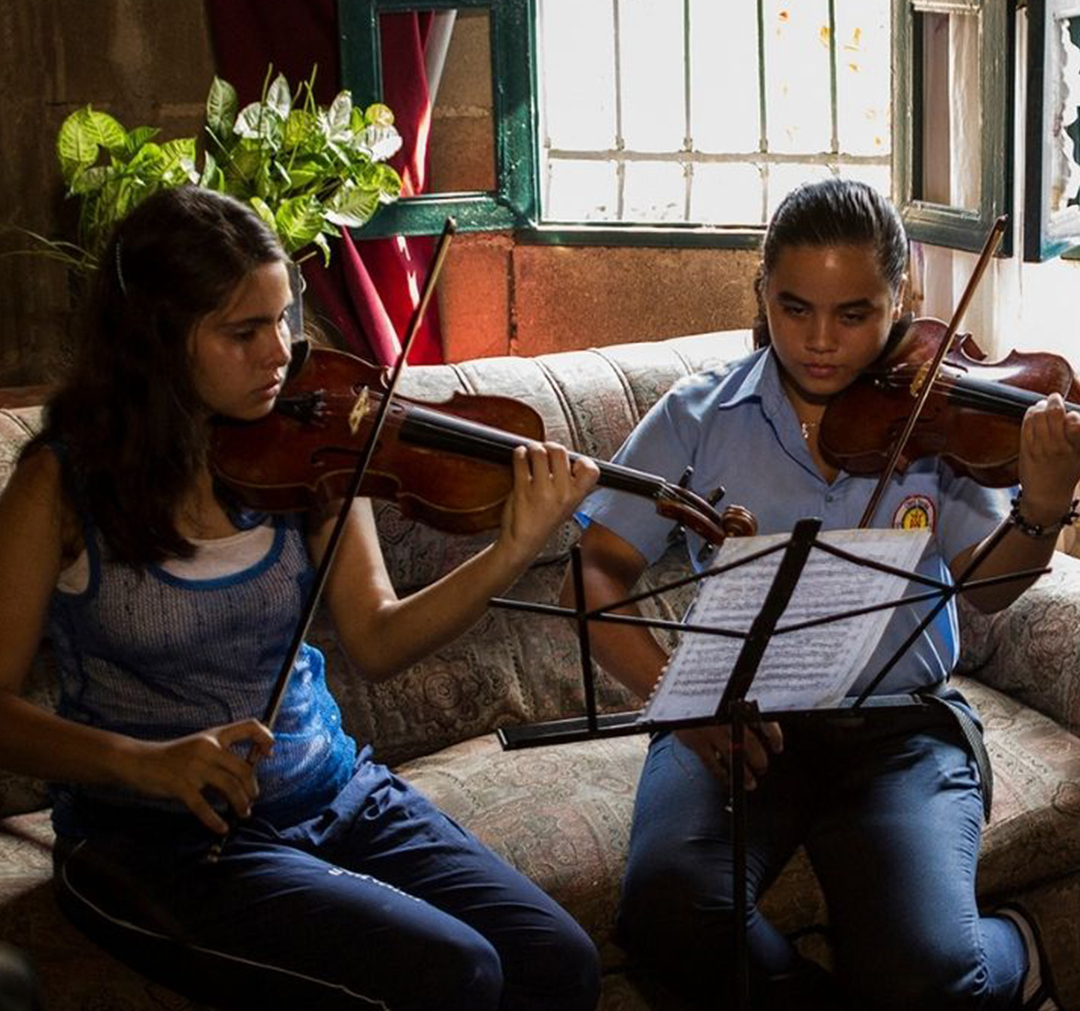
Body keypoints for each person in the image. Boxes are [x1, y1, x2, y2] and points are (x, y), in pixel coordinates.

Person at [0, 185, 602, 1011]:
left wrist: (512, 550)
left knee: (558, 960)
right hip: (156, 842)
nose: (279, 353)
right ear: (155, 340)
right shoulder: (59, 486)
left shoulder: (312, 445)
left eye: (283, 320)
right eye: (242, 332)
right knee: (457, 974)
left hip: (336, 794)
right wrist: (146, 763)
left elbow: (379, 638)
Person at [567, 179, 1080, 1011]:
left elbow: (987, 591)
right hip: (736, 723)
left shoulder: (940, 415)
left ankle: (1016, 948)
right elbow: (596, 567)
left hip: (900, 731)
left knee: (924, 975)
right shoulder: (699, 415)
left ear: (900, 298)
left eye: (854, 315)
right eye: (794, 308)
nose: (819, 343)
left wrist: (1044, 509)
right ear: (762, 291)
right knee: (665, 911)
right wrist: (677, 700)